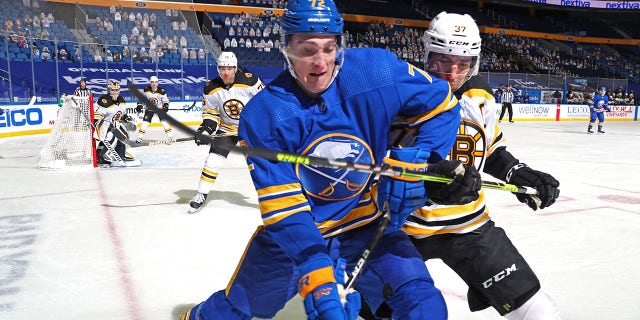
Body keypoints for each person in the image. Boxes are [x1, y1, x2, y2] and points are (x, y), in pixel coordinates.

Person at [179, 1, 479, 319]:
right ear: (286, 49)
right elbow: (286, 209)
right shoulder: (265, 115)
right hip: (302, 234)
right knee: (237, 310)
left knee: (425, 305)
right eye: (308, 50)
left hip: (368, 222)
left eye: (329, 48)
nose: (321, 62)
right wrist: (317, 271)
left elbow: (443, 104)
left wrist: (423, 162)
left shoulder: (374, 70)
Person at [360, 11, 562, 320]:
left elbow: (487, 148)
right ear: (425, 55)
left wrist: (518, 172)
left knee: (539, 311)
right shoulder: (397, 91)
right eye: (442, 61)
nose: (452, 73)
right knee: (387, 312)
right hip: (401, 226)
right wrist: (421, 178)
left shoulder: (479, 96)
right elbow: (370, 160)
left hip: (468, 225)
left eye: (463, 64)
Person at [188, 51, 265, 213]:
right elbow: (210, 113)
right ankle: (201, 193)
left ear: (235, 68)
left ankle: (271, 197)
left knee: (261, 163)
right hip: (227, 129)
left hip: (251, 129)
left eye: (229, 68)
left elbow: (265, 102)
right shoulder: (211, 88)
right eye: (222, 68)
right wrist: (206, 129)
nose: (225, 72)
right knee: (213, 160)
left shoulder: (249, 81)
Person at [95, 81, 140, 167]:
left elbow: (120, 115)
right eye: (112, 90)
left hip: (113, 124)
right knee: (112, 135)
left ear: (119, 90)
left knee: (124, 134)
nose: (114, 92)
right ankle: (103, 155)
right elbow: (96, 114)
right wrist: (101, 119)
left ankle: (120, 155)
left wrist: (126, 117)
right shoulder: (104, 100)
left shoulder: (122, 101)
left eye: (116, 90)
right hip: (102, 124)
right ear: (109, 90)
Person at [135, 76, 173, 143]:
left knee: (164, 122)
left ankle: (170, 137)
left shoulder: (161, 91)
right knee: (144, 123)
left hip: (159, 109)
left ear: (157, 83)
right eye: (152, 82)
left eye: (155, 82)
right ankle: (139, 138)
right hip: (150, 109)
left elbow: (165, 100)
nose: (154, 84)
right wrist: (139, 105)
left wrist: (165, 106)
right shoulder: (146, 89)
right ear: (150, 83)